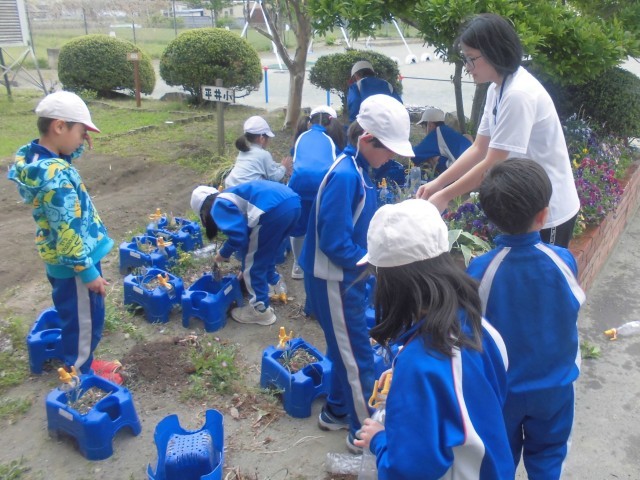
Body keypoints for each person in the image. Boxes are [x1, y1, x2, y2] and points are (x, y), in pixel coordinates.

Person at [354, 199, 514, 479]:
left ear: (393, 284)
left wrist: (379, 439)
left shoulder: (417, 365)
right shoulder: (483, 328)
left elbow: (408, 470)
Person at [299, 94, 414, 452]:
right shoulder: (345, 176)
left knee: (343, 348)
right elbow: (334, 242)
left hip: (346, 278)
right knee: (358, 356)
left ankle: (336, 410)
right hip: (334, 279)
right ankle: (364, 436)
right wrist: (372, 264)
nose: (392, 157)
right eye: (389, 149)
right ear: (367, 139)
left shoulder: (359, 170)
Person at [416, 13, 580, 248]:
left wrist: (445, 195)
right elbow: (479, 148)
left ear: (494, 52)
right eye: (465, 58)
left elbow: (493, 164)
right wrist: (437, 184)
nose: (467, 67)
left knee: (543, 270)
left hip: (549, 210)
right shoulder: (497, 89)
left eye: (471, 58)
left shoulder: (518, 94)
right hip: (524, 204)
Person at [466, 159, 585, 478]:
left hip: (503, 391)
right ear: (544, 215)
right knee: (549, 455)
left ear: (490, 217)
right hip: (555, 388)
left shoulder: (480, 271)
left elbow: (472, 329)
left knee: (498, 459)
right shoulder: (563, 261)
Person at [7, 91, 117, 379]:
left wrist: (76, 146)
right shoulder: (56, 179)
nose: (82, 140)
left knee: (75, 317)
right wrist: (88, 272)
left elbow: (60, 157)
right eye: (81, 133)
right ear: (59, 126)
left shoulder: (35, 160)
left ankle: (81, 361)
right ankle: (79, 373)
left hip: (63, 262)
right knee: (85, 321)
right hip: (76, 265)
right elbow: (67, 232)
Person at [190, 180, 300, 325]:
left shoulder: (218, 205)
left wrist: (223, 254)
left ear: (203, 212)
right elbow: (248, 233)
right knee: (267, 250)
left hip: (271, 211)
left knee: (252, 264)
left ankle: (260, 310)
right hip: (292, 203)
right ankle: (274, 283)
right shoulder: (231, 195)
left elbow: (239, 237)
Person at [288, 105, 345, 280]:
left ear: (309, 122)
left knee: (298, 227)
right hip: (322, 187)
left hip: (297, 186)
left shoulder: (301, 137)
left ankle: (297, 265)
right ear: (331, 123)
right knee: (322, 223)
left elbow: (294, 157)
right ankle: (319, 261)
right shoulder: (331, 142)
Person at [224, 116, 292, 188]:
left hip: (230, 186)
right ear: (262, 139)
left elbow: (267, 165)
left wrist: (279, 165)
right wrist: (284, 167)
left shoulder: (244, 151)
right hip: (246, 190)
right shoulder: (264, 154)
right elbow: (274, 177)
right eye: (268, 138)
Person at [413, 107, 472, 176]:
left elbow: (414, 155)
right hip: (474, 166)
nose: (424, 130)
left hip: (464, 172)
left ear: (430, 124)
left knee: (433, 158)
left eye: (424, 126)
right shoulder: (448, 131)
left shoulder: (436, 134)